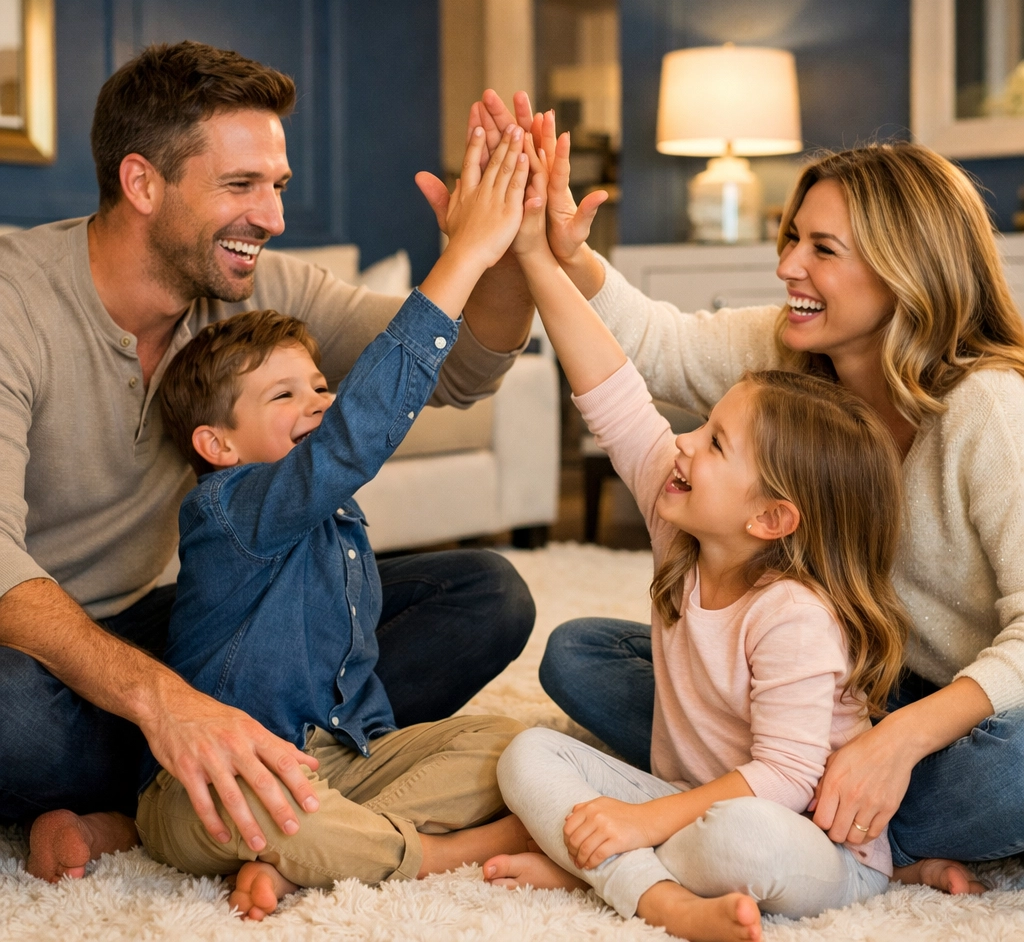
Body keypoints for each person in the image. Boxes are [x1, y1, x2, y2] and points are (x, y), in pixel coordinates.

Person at [0, 43, 536, 883]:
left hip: (175, 627)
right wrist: (166, 706)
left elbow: (460, 366)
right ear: (143, 183)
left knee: (484, 595)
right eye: (241, 186)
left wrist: (505, 252)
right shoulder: (13, 300)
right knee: (9, 717)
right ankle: (200, 791)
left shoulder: (254, 285)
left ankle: (194, 801)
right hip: (33, 646)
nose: (274, 217)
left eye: (277, 186)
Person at [467, 93, 1020, 885]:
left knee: (1015, 767)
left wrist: (895, 743)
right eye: (792, 237)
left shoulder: (990, 409)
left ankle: (850, 834)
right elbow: (648, 355)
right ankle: (843, 823)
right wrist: (556, 253)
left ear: (906, 272)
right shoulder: (790, 351)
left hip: (970, 704)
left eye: (822, 248)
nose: (788, 264)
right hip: (843, 675)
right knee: (580, 655)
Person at [477, 158, 908, 941]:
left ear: (774, 518)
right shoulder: (681, 512)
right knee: (529, 753)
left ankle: (601, 868)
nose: (680, 444)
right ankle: (643, 882)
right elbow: (610, 390)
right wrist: (538, 257)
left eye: (714, 444)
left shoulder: (794, 616)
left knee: (741, 839)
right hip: (686, 799)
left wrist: (646, 822)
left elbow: (782, 781)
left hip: (811, 839)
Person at [137, 120, 535, 921]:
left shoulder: (334, 519)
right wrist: (459, 261)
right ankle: (431, 854)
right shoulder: (229, 508)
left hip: (343, 762)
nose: (320, 403)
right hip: (224, 772)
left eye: (321, 387)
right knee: (231, 806)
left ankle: (308, 856)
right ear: (217, 443)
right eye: (285, 396)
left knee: (519, 751)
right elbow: (357, 435)